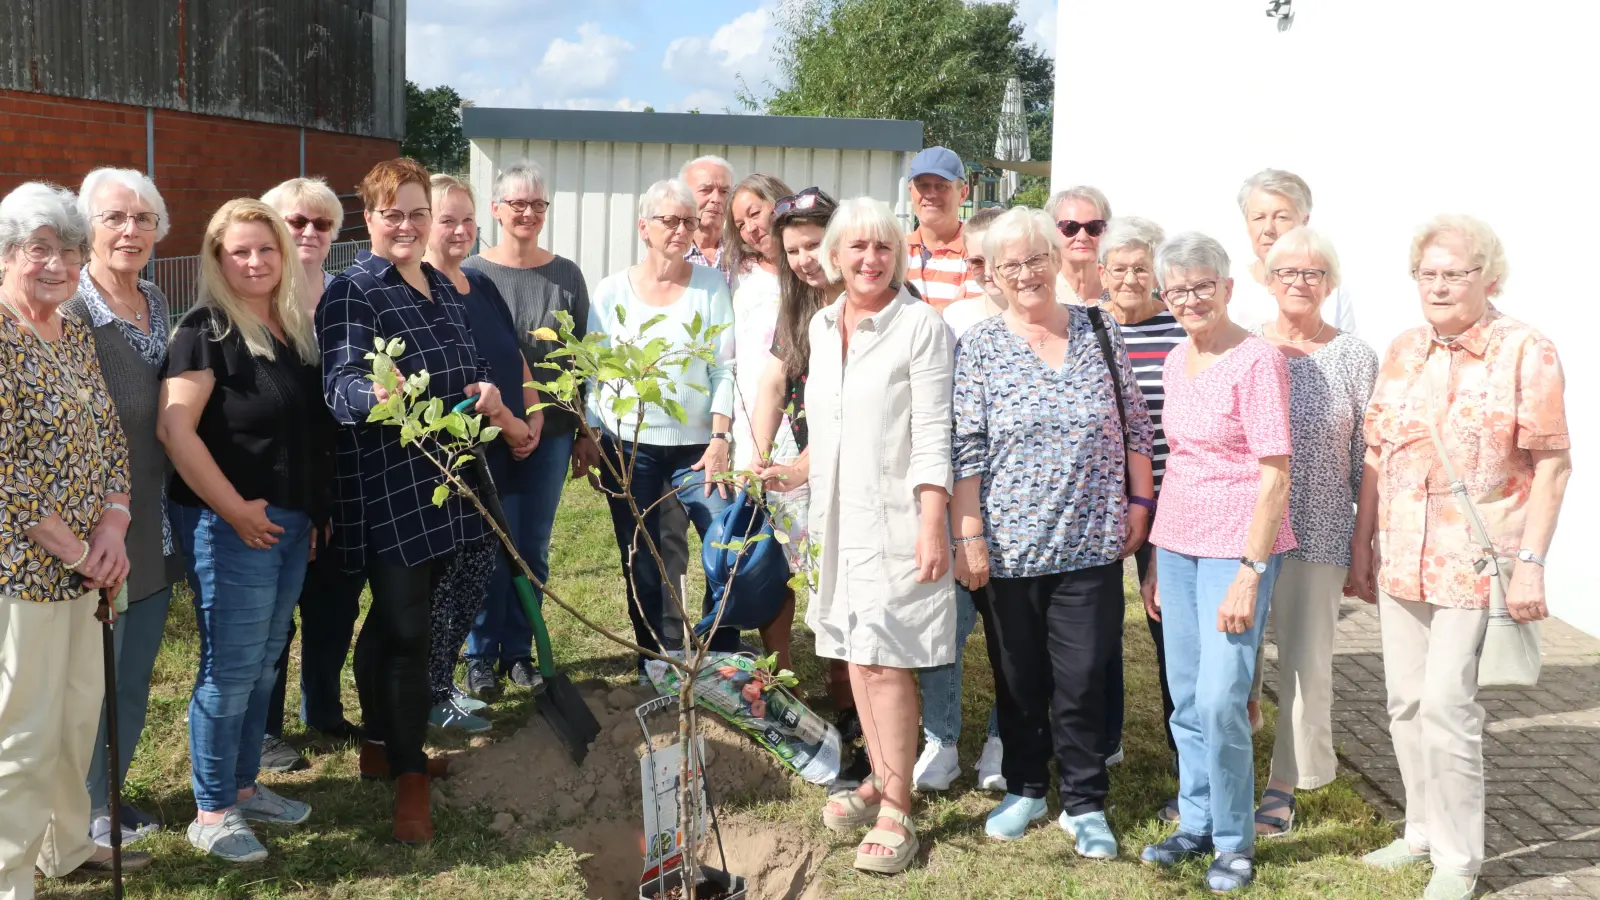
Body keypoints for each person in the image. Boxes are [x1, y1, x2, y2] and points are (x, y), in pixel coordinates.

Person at [1352, 215, 1570, 900]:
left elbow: (1553, 464)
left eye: (1455, 273)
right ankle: (1419, 828)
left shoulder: (1523, 350)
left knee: (1448, 704)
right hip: (1402, 556)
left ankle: (1459, 858)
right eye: (1429, 273)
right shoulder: (1404, 349)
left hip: (1476, 560)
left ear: (1489, 277)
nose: (1439, 285)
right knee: (1404, 701)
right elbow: (1377, 454)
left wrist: (1531, 561)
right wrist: (1362, 542)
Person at [949, 207, 1155, 854]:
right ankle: (1026, 787)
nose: (1027, 273)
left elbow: (1136, 424)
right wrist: (968, 535)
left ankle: (1087, 803)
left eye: (1037, 258)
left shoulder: (1099, 329)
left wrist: (1141, 504)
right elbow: (968, 449)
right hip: (1010, 547)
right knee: (1019, 676)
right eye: (1011, 264)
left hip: (1092, 539)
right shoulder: (980, 346)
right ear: (994, 275)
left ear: (1056, 260)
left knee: (1085, 674)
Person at [318, 157, 510, 844]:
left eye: (415, 213)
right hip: (391, 485)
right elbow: (340, 383)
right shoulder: (353, 292)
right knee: (405, 630)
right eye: (391, 213)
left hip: (450, 477)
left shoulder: (440, 287)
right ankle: (408, 777)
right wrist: (378, 395)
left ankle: (380, 743)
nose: (405, 225)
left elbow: (470, 363)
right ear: (369, 218)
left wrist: (487, 392)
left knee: (397, 623)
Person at [784, 197, 956, 875]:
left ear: (898, 254)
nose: (869, 259)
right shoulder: (824, 326)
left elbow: (935, 436)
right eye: (855, 247)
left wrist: (933, 523)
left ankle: (897, 809)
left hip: (896, 516)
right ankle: (884, 777)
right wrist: (791, 468)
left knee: (886, 659)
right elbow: (827, 424)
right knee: (856, 651)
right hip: (834, 515)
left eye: (882, 247)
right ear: (833, 256)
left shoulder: (920, 327)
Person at [157, 198, 324, 862]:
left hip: (286, 522)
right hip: (232, 526)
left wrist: (310, 513)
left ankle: (246, 787)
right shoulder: (205, 329)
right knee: (228, 670)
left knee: (262, 666)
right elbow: (175, 430)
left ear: (283, 254)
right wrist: (233, 508)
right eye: (239, 251)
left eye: (266, 248)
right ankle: (211, 810)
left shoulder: (288, 326)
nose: (254, 261)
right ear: (217, 259)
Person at [0, 182, 145, 895]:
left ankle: (61, 846)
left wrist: (114, 522)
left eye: (69, 250)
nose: (57, 264)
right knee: (22, 732)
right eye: (39, 249)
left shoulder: (74, 331)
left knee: (77, 713)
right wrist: (77, 549)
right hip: (22, 571)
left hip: (91, 565)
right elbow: (6, 470)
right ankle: (9, 874)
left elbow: (110, 438)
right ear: (7, 255)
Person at [1138, 232, 1295, 893]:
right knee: (1185, 697)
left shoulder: (1258, 360)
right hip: (1176, 544)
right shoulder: (1176, 360)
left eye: (1203, 285)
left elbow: (1275, 476)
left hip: (1238, 549)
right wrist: (1154, 560)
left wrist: (1249, 572)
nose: (1191, 299)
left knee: (1225, 697)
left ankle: (1234, 841)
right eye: (1177, 289)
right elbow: (1178, 461)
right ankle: (1195, 820)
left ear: (1229, 288)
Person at [1243, 227, 1378, 837]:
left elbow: (1366, 460)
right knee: (1234, 664)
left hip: (1319, 530)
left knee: (1302, 664)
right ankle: (1221, 774)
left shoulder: (1355, 356)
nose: (1300, 283)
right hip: (1241, 531)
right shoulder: (1242, 347)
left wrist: (1362, 543)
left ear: (1330, 282)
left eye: (1314, 273)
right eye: (1288, 273)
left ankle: (1282, 785)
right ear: (1268, 281)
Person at [65, 167, 184, 849]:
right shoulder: (74, 314)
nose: (131, 230)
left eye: (143, 218)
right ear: (88, 228)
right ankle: (78, 810)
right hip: (94, 532)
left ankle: (109, 794)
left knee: (133, 677)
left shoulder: (155, 301)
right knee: (90, 681)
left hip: (154, 520)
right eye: (114, 217)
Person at [586, 179, 737, 668]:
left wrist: (719, 437)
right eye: (668, 220)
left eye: (688, 222)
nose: (679, 230)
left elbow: (723, 368)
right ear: (643, 226)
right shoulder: (611, 292)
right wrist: (591, 432)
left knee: (726, 544)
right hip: (630, 448)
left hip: (699, 448)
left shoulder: (712, 286)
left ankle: (721, 646)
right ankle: (655, 654)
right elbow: (596, 369)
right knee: (642, 555)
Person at [462, 159, 591, 698]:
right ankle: (480, 654)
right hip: (485, 428)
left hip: (553, 431)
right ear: (495, 208)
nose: (528, 213)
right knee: (487, 542)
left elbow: (582, 359)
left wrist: (584, 430)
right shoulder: (471, 274)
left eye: (537, 204)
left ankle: (519, 651)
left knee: (532, 545)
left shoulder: (566, 275)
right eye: (517, 203)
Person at [423, 173, 539, 733]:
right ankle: (443, 683)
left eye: (468, 219)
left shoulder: (479, 284)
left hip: (509, 446)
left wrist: (532, 413)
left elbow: (512, 358)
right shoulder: (419, 293)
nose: (461, 230)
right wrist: (510, 423)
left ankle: (448, 682)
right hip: (460, 458)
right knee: (452, 575)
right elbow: (467, 386)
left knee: (490, 561)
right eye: (447, 219)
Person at [259, 175, 364, 774]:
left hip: (344, 480)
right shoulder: (257, 299)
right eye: (296, 221)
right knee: (275, 614)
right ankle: (266, 728)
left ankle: (323, 705)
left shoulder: (346, 295)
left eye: (321, 223)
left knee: (335, 603)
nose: (308, 232)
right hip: (278, 484)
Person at [1095, 216, 1189, 818]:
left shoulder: (1181, 330)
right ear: (1101, 272)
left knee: (1170, 637)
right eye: (1120, 267)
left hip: (1173, 500)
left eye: (1142, 267)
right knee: (1095, 632)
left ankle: (1189, 766)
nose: (1131, 277)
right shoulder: (1084, 325)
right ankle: (1101, 743)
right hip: (1097, 503)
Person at [920, 204, 1006, 793]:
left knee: (1012, 635)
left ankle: (1004, 740)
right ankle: (941, 740)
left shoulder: (1053, 322)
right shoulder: (951, 320)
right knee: (945, 628)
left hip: (1024, 507)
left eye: (992, 261)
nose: (983, 272)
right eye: (973, 260)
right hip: (961, 496)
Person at [1229, 169, 1357, 334]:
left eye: (1281, 217)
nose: (1268, 229)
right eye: (1259, 218)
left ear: (1304, 221)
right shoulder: (1228, 291)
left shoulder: (1330, 290)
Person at [724, 173, 794, 470]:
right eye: (740, 224)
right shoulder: (740, 275)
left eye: (755, 214)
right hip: (748, 420)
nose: (750, 228)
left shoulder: (810, 271)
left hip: (797, 422)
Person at [904, 146, 983, 312]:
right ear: (911, 193)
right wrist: (947, 311)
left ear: (963, 194)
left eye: (941, 186)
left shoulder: (978, 253)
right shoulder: (895, 251)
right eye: (923, 186)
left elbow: (975, 317)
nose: (931, 194)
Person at [1050, 186, 1113, 305]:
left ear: (1106, 231)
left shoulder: (1119, 291)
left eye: (1094, 227)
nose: (1082, 237)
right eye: (1070, 227)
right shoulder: (1043, 292)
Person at [681, 155, 735, 278]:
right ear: (684, 196)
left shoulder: (744, 255)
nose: (716, 199)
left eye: (724, 192)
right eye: (706, 190)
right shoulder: (670, 255)